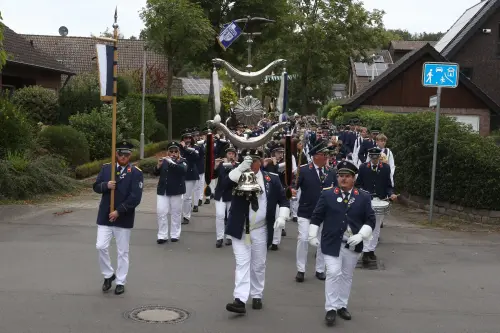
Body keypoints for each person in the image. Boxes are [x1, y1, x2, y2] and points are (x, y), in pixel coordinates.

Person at [308, 160, 375, 326]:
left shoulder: (363, 197)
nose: (343, 179)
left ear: (354, 179)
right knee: (333, 272)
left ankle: (341, 305)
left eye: (347, 176)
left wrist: (361, 235)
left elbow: (371, 219)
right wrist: (311, 235)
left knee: (346, 275)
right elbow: (317, 216)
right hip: (331, 242)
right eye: (340, 176)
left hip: (352, 244)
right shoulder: (328, 194)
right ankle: (330, 308)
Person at [224, 149, 290, 314]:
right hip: (240, 227)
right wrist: (240, 168)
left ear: (261, 161)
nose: (252, 163)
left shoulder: (271, 179)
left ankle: (257, 294)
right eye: (248, 160)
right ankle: (239, 299)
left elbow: (283, 200)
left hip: (260, 229)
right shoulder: (237, 175)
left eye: (255, 160)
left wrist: (282, 216)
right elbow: (224, 185)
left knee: (259, 265)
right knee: (242, 263)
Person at [93, 141, 144, 295]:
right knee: (101, 246)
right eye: (120, 154)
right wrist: (106, 186)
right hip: (105, 216)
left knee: (123, 252)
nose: (123, 157)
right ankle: (108, 275)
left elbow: (135, 197)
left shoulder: (136, 172)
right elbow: (95, 186)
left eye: (126, 154)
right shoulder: (107, 168)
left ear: (130, 155)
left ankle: (121, 281)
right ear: (116, 154)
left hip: (123, 217)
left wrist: (119, 211)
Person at [292, 140, 337, 283]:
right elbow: (293, 187)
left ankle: (320, 269)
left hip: (324, 213)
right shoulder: (303, 170)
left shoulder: (331, 172)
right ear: (316, 156)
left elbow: (336, 191)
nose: (326, 157)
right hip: (306, 211)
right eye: (324, 154)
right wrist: (291, 191)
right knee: (304, 238)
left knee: (322, 241)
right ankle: (301, 269)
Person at [356, 147, 397, 264]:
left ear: (379, 157)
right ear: (370, 157)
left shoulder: (385, 168)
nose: (374, 160)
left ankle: (371, 250)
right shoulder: (363, 167)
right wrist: (362, 194)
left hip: (380, 200)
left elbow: (388, 185)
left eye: (376, 158)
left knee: (376, 227)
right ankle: (365, 252)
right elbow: (358, 184)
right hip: (366, 201)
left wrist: (391, 194)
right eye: (372, 158)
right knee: (367, 226)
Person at [154, 141, 187, 244]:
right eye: (171, 151)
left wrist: (172, 162)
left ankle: (175, 234)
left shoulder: (182, 161)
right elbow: (155, 173)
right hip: (163, 190)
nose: (173, 153)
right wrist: (158, 166)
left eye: (175, 151)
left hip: (176, 191)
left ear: (178, 152)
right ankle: (162, 235)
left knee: (176, 213)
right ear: (167, 152)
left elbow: (183, 170)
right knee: (161, 212)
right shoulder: (164, 161)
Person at [213, 144, 238, 248]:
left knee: (230, 216)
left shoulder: (237, 165)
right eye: (229, 153)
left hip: (231, 194)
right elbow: (213, 175)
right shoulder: (221, 164)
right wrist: (215, 166)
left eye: (232, 153)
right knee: (220, 215)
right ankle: (219, 238)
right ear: (226, 155)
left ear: (235, 155)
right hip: (220, 193)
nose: (230, 155)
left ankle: (229, 236)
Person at [180, 129, 200, 224]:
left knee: (187, 197)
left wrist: (186, 149)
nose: (187, 139)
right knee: (181, 196)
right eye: (185, 138)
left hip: (190, 174)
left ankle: (186, 216)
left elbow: (196, 157)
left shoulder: (195, 147)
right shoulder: (179, 148)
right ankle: (181, 212)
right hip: (180, 174)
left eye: (189, 138)